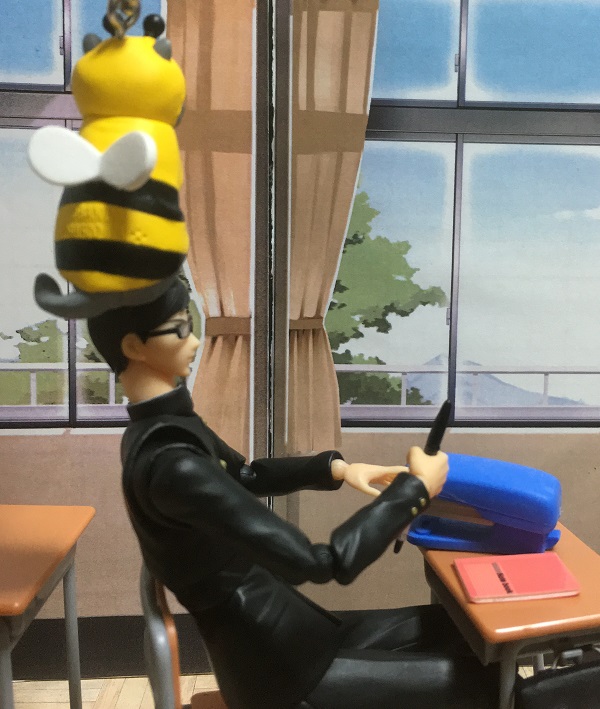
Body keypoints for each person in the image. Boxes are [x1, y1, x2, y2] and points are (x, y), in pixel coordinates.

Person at [87, 278, 499, 709]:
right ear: (133, 346)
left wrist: (340, 469)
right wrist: (415, 491)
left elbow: (245, 473)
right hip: (280, 672)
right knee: (482, 683)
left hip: (296, 632)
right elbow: (322, 562)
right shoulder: (174, 463)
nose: (194, 342)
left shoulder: (164, 431)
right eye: (179, 329)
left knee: (458, 628)